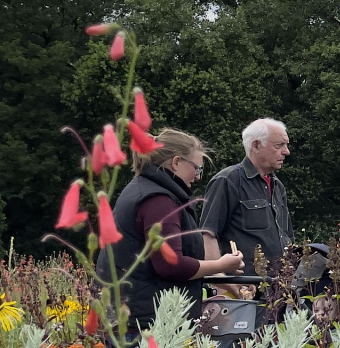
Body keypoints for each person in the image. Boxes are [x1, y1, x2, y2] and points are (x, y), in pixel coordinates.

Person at [101, 129, 244, 333]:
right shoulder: (158, 201)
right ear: (176, 162)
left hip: (135, 315)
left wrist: (218, 278)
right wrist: (220, 265)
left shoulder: (145, 190)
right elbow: (171, 265)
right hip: (146, 323)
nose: (197, 177)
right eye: (196, 168)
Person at [199, 118, 292, 281]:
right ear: (256, 145)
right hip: (244, 288)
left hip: (279, 289)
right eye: (279, 145)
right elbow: (208, 234)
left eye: (286, 145)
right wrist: (221, 282)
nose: (286, 151)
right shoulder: (228, 180)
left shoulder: (278, 186)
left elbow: (287, 237)